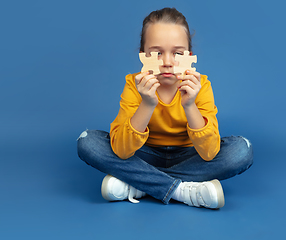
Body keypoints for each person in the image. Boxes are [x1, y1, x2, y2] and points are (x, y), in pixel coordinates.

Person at [77, 7, 253, 209]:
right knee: (87, 142)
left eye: (177, 53)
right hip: (144, 154)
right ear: (143, 56)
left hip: (189, 155)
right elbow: (122, 151)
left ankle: (140, 184)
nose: (167, 62)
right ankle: (182, 190)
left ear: (189, 55)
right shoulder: (134, 84)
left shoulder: (201, 85)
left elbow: (209, 153)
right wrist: (148, 103)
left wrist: (189, 105)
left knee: (241, 150)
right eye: (157, 53)